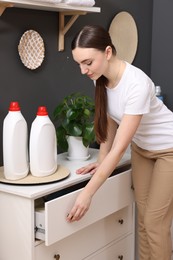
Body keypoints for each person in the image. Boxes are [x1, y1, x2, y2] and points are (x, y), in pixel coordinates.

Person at [66, 25, 173, 260]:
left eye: (87, 62)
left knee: (155, 223)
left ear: (107, 52)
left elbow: (119, 149)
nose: (83, 70)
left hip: (169, 150)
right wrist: (101, 159)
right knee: (144, 219)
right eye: (79, 64)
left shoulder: (137, 84)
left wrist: (87, 193)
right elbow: (110, 122)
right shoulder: (100, 79)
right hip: (142, 149)